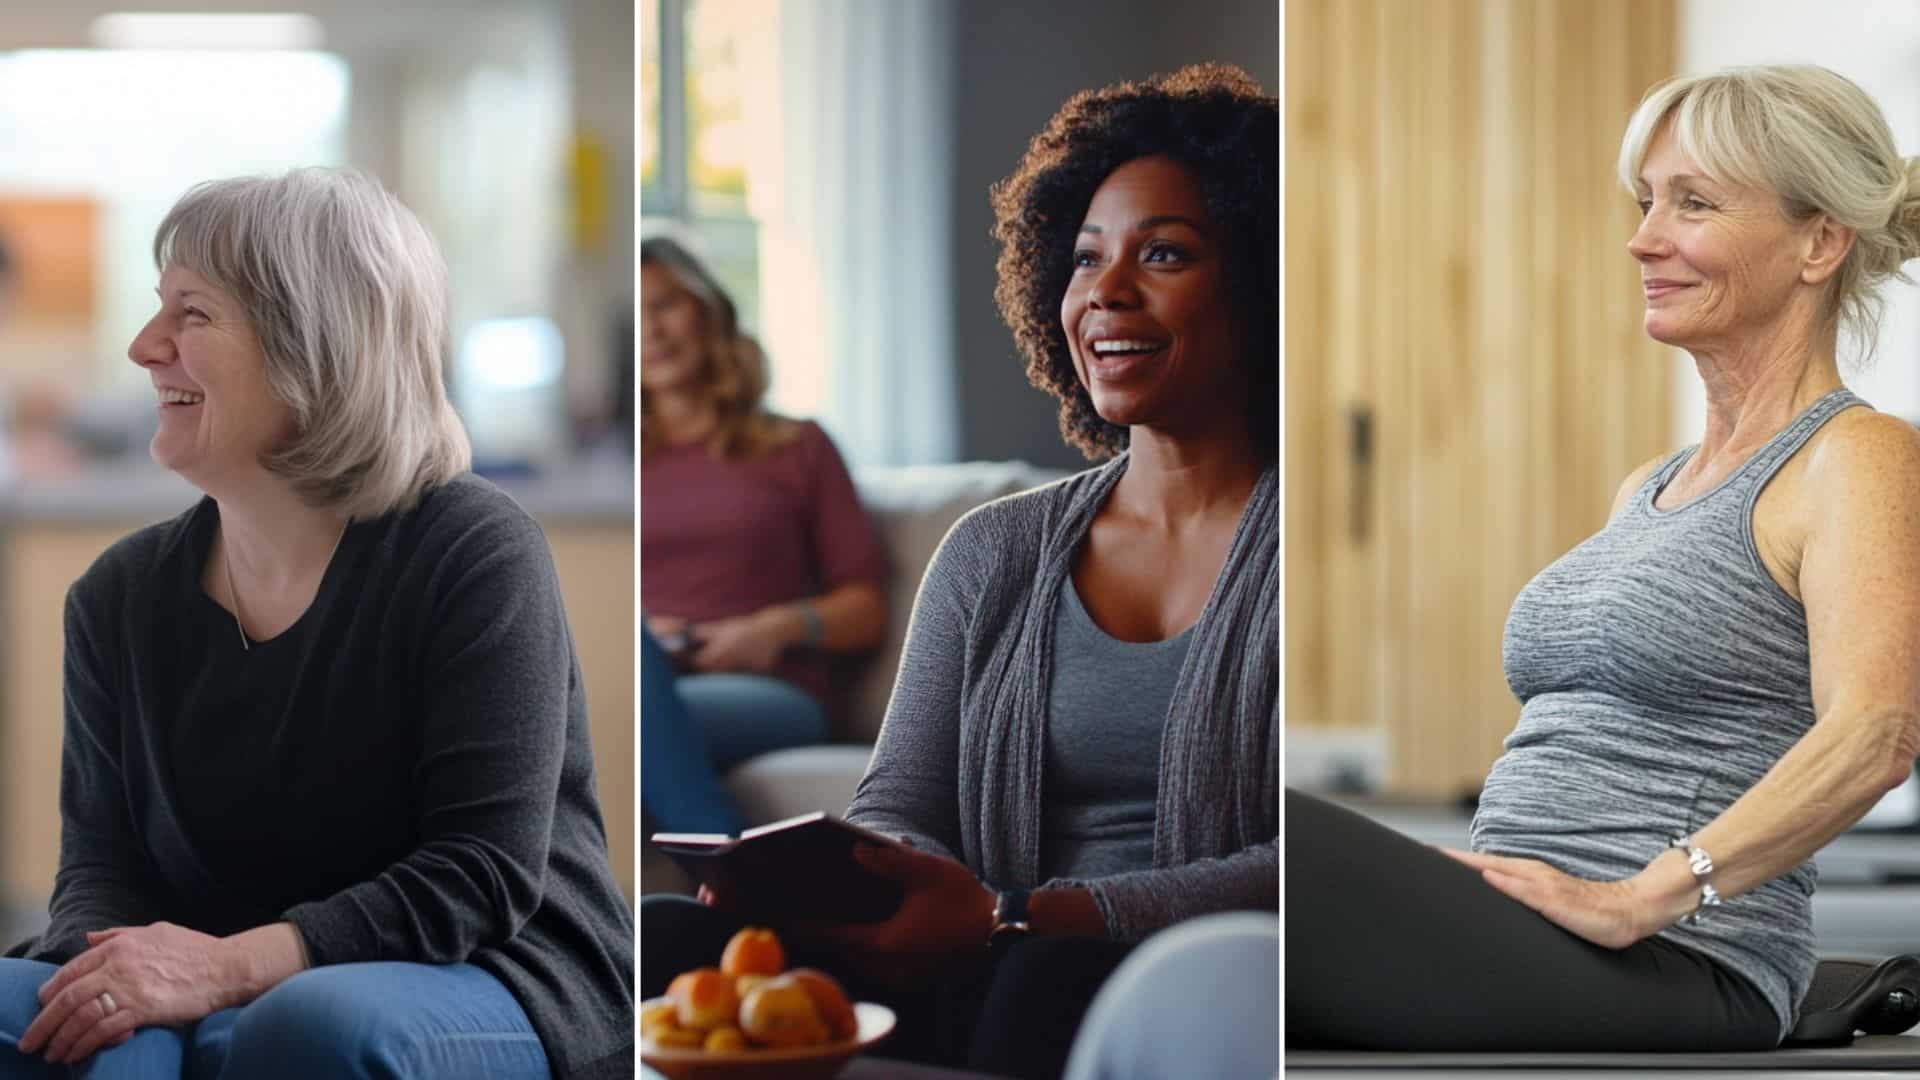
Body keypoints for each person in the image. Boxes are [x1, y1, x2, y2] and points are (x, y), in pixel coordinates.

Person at [641, 62, 1279, 1080]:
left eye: (1164, 253)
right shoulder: (994, 549)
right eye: (1083, 259)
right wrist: (877, 886)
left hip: (1135, 970)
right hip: (966, 948)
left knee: (1042, 979)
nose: (1106, 291)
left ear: (1259, 281)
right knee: (663, 937)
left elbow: (1304, 871)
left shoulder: (1307, 553)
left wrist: (1017, 916)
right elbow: (900, 800)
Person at [1288, 64, 1920, 1051]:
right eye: (1645, 200)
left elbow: (1877, 732)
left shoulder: (1858, 457)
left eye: (1694, 203)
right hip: (1531, 927)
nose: (1643, 237)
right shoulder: (1648, 486)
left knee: (1267, 836)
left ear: (1819, 241)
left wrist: (1645, 897)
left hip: (1678, 960)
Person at [0, 169, 634, 1079]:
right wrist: (120, 997)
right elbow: (102, 868)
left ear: (313, 347)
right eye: (157, 310)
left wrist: (223, 971)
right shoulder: (117, 595)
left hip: (489, 965)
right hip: (227, 974)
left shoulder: (476, 552)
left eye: (193, 314)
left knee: (303, 1029)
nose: (144, 348)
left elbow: (480, 874)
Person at [638, 236, 888, 836]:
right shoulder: (628, 465)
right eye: (639, 311)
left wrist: (773, 628)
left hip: (770, 691)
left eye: (668, 303)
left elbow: (866, 607)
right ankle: (727, 872)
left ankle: (728, 871)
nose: (654, 329)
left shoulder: (798, 446)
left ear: (709, 310)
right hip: (659, 675)